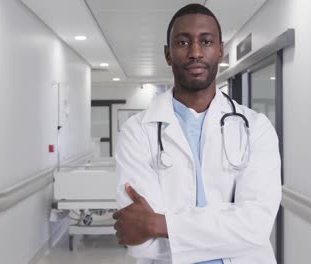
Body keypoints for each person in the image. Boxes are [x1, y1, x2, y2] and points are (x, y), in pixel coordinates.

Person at [112, 3, 281, 264]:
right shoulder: (137, 132)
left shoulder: (256, 128)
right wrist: (227, 232)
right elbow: (140, 242)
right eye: (182, 42)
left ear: (220, 50)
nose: (195, 52)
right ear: (168, 54)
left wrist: (159, 224)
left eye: (206, 41)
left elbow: (255, 228)